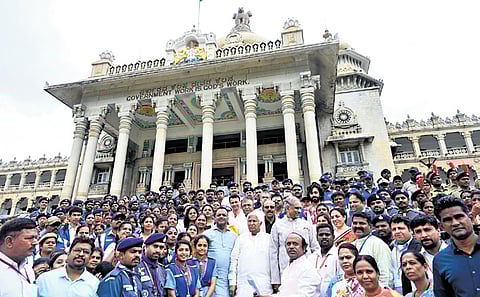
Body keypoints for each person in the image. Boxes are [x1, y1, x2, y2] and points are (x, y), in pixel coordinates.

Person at [433, 196, 480, 297]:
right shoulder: (440, 260)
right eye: (447, 220)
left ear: (471, 218)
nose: (455, 223)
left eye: (459, 216)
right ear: (441, 227)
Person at [270, 197, 319, 292]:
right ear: (288, 208)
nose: (299, 211)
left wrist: (314, 268)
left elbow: (315, 248)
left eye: (300, 208)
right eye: (296, 208)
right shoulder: (277, 226)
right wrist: (275, 279)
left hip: (306, 270)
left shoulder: (306, 224)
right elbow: (273, 253)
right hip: (285, 270)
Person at [229, 212, 272, 297]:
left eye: (254, 221)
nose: (251, 223)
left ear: (260, 223)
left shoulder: (268, 238)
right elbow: (234, 260)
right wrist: (232, 282)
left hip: (264, 282)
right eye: (249, 221)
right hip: (243, 283)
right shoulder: (241, 238)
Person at [351, 212, 392, 288]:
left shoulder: (378, 244)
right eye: (355, 223)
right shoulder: (352, 245)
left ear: (370, 226)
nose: (357, 226)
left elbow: (385, 273)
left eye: (362, 223)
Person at [273, 232, 321, 297]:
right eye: (288, 244)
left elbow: (303, 295)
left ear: (304, 248)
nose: (291, 247)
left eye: (295, 244)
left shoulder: (308, 269)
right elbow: (283, 293)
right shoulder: (287, 269)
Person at [0, 218, 38, 297]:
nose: (35, 242)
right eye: (29, 238)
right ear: (9, 241)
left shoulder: (28, 269)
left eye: (36, 238)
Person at [204, 207, 237, 297]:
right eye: (219, 215)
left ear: (228, 218)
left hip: (229, 276)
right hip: (213, 276)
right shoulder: (207, 234)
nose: (221, 217)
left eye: (224, 215)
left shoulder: (234, 236)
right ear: (214, 218)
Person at [409, 214, 448, 281]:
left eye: (427, 230)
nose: (424, 235)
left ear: (438, 230)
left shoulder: (455, 252)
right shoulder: (415, 258)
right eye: (418, 232)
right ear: (414, 236)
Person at [390, 215, 422, 295]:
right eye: (394, 229)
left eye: (401, 228)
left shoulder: (419, 247)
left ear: (410, 230)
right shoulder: (390, 248)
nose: (397, 231)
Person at [308, 223, 341, 297]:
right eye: (321, 235)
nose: (324, 237)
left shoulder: (339, 256)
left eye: (327, 234)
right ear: (316, 237)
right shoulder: (312, 257)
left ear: (333, 237)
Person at [135, 233, 168, 297]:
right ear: (145, 247)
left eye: (161, 248)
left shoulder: (162, 269)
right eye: (155, 246)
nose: (158, 250)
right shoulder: (136, 267)